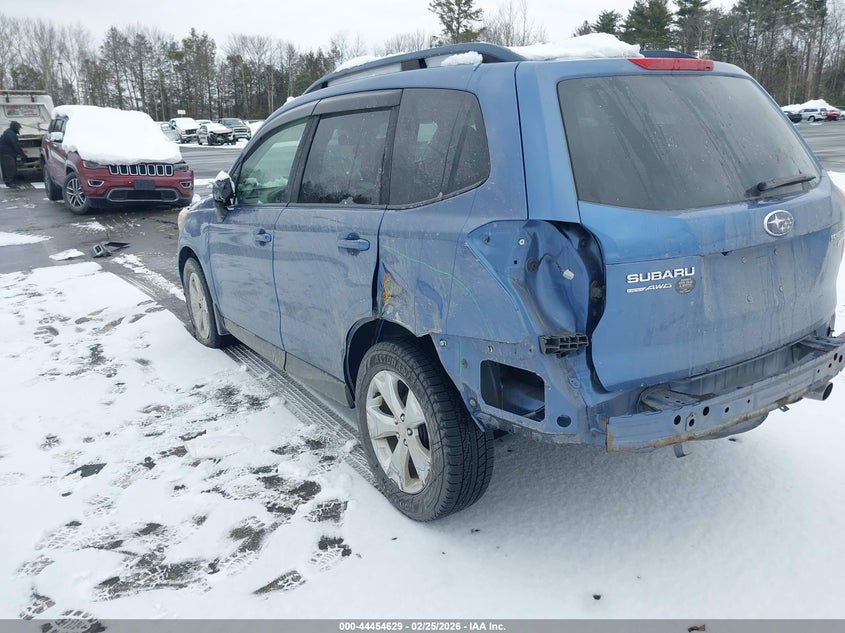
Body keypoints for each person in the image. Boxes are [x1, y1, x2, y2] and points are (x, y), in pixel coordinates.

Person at [0, 121, 28, 188]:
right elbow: (16, 145)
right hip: (6, 153)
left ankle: (11, 181)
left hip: (7, 153)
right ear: (15, 127)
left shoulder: (9, 132)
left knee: (9, 167)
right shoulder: (10, 134)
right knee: (10, 167)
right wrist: (22, 154)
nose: (19, 129)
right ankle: (10, 182)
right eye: (18, 128)